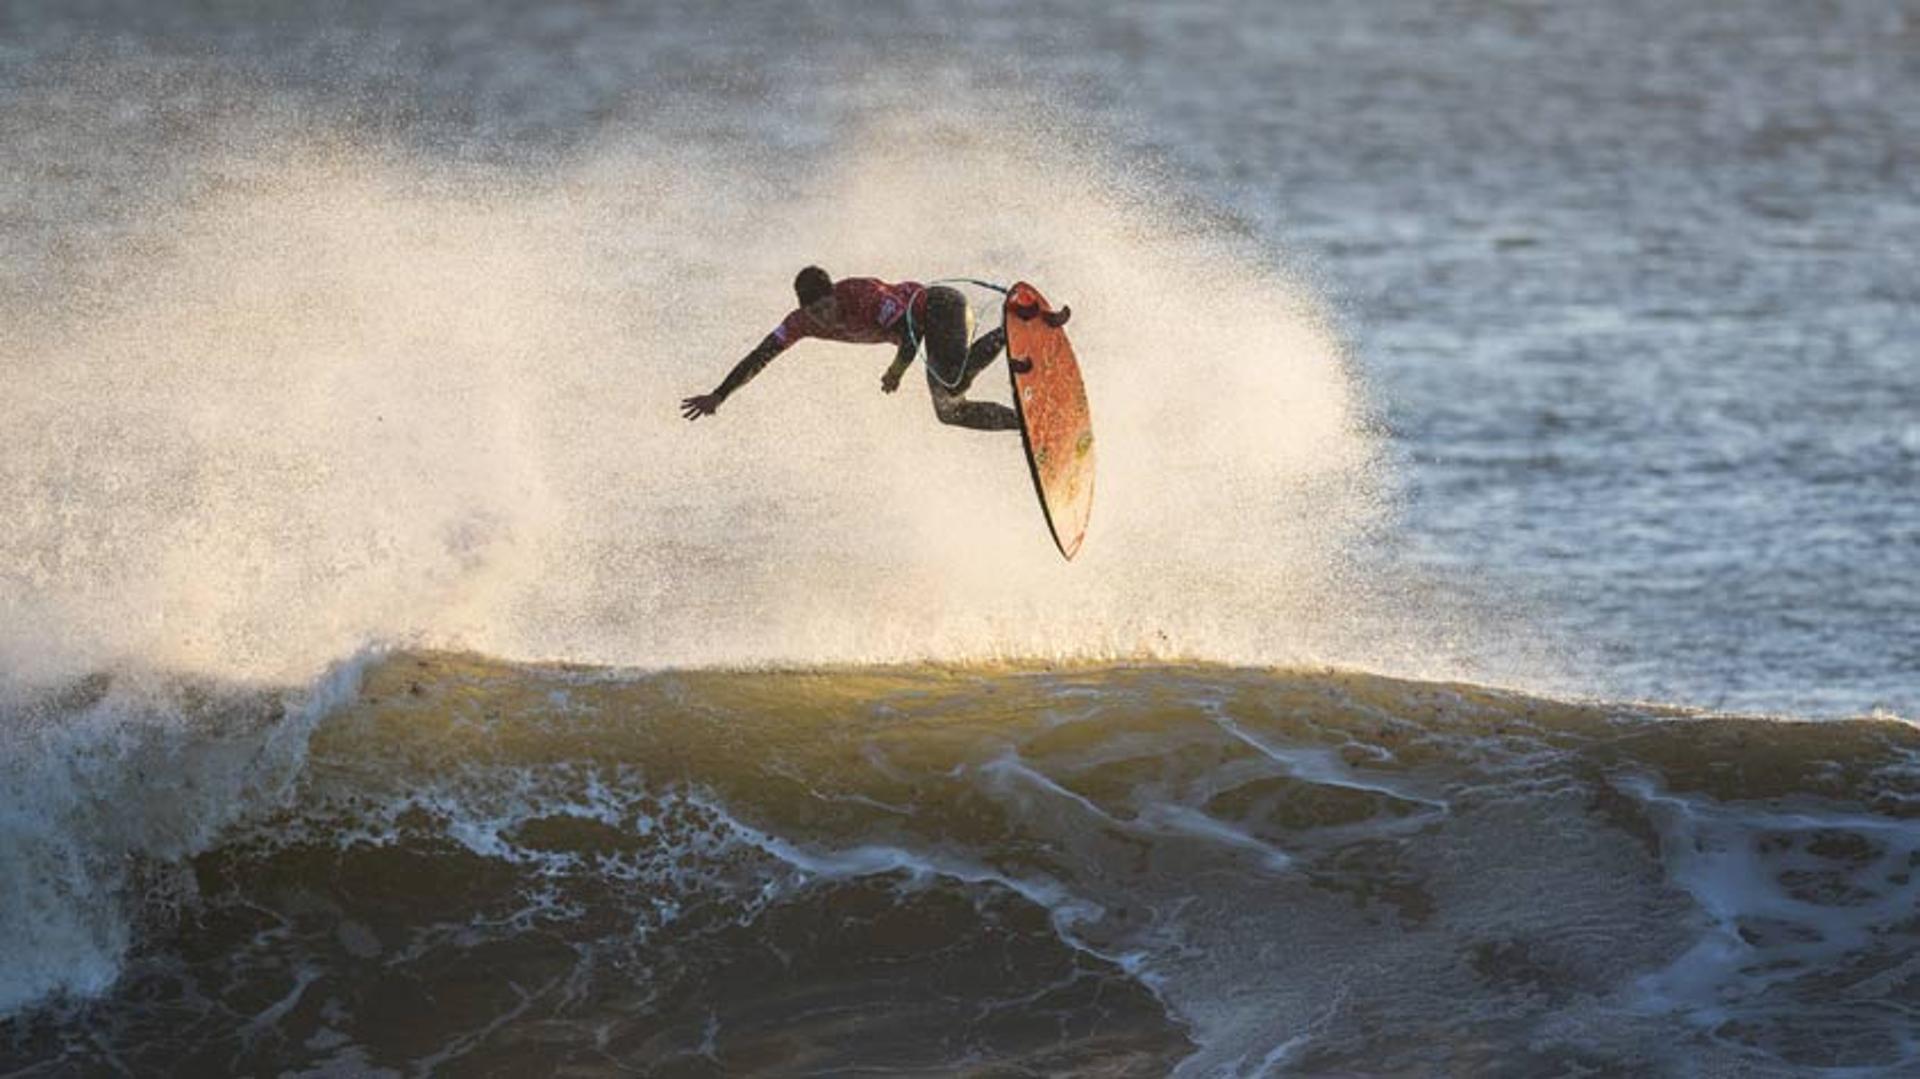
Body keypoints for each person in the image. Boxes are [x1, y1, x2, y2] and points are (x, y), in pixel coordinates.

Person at [681, 266, 1020, 431]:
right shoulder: (802, 323)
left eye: (828, 307)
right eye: (816, 313)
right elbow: (760, 356)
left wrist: (895, 373)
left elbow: (909, 328)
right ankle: (1023, 425)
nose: (826, 318)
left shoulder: (861, 294)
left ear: (834, 294)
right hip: (925, 330)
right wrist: (719, 395)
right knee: (949, 411)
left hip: (941, 307)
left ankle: (1011, 330)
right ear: (805, 310)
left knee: (951, 381)